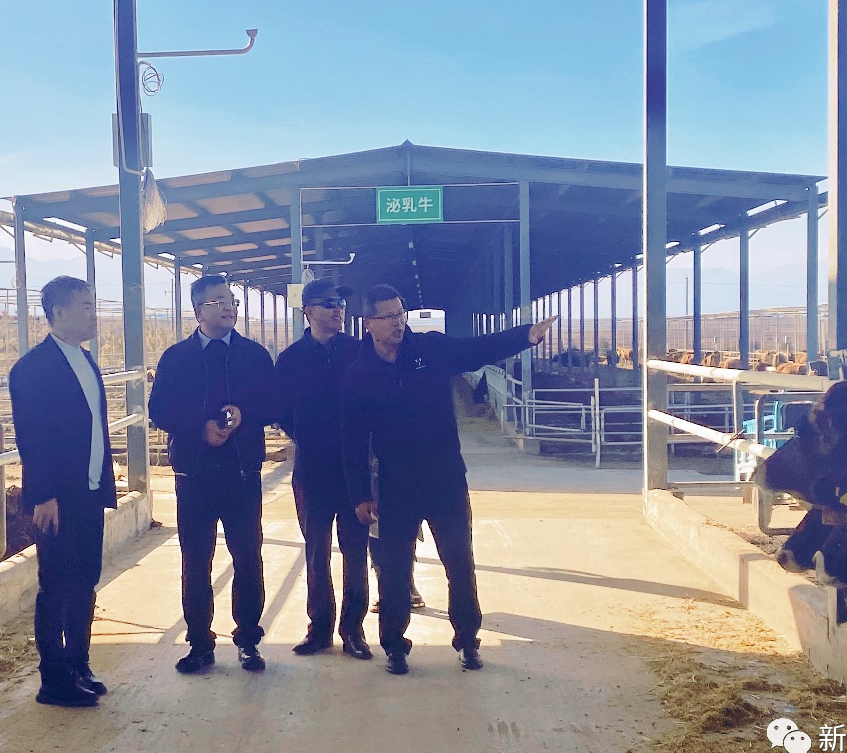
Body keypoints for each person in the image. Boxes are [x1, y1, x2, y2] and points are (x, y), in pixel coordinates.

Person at [341, 284, 555, 676]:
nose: (398, 323)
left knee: (459, 564)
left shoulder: (431, 350)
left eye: (401, 314)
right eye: (388, 316)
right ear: (369, 323)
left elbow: (477, 349)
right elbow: (353, 441)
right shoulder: (358, 375)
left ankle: (468, 641)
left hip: (445, 479)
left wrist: (525, 335)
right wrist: (360, 495)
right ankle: (395, 647)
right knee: (394, 571)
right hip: (395, 485)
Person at [148, 274, 276, 674]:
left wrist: (244, 414)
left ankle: (248, 640)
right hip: (194, 475)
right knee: (195, 561)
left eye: (231, 301)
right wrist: (199, 426)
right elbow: (159, 410)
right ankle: (200, 644)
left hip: (242, 473)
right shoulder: (176, 358)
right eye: (219, 301)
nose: (229, 307)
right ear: (198, 310)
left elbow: (273, 404)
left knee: (248, 558)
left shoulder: (254, 355)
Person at [9, 276, 117, 708]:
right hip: (57, 497)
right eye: (85, 306)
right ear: (58, 312)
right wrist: (44, 494)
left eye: (94, 305)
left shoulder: (85, 360)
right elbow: (31, 437)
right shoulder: (32, 369)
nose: (94, 314)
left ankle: (78, 664)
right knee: (55, 584)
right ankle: (53, 679)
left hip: (88, 491)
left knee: (85, 580)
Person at [275, 279, 372, 659]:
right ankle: (319, 629)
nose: (338, 310)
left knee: (356, 551)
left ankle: (353, 631)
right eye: (329, 304)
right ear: (308, 311)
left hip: (354, 470)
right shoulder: (291, 360)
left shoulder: (358, 352)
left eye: (341, 304)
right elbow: (281, 409)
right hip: (312, 468)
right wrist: (305, 434)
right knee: (317, 552)